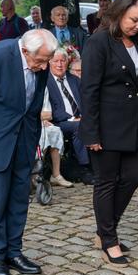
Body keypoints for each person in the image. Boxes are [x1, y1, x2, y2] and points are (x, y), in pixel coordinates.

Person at [0, 29, 57, 275]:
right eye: (40, 60)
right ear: (25, 51)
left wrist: (35, 135)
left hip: (25, 139)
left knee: (19, 198)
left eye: (47, 61)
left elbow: (35, 102)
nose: (43, 66)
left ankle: (14, 252)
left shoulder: (41, 60)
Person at [80, 0, 138, 264]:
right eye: (134, 19)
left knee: (134, 176)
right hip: (106, 125)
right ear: (120, 12)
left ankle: (104, 229)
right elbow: (88, 90)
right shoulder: (99, 42)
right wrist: (91, 131)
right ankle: (109, 240)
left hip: (134, 124)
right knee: (106, 183)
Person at [46, 49, 94, 185]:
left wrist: (86, 116)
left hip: (81, 119)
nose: (59, 64)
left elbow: (87, 101)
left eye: (63, 61)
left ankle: (104, 165)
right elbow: (49, 109)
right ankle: (84, 168)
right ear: (49, 62)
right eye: (56, 61)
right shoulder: (45, 82)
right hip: (58, 122)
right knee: (79, 126)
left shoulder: (74, 80)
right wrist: (73, 118)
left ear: (68, 62)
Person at [40, 88, 73, 188]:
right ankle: (35, 174)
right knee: (40, 134)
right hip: (23, 123)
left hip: (40, 122)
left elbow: (48, 115)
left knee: (54, 131)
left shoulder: (43, 87)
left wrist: (39, 118)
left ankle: (56, 174)